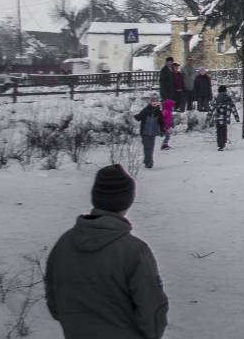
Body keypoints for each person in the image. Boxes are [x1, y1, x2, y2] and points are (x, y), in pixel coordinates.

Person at [45, 164, 168, 339]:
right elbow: (152, 309)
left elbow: (54, 302)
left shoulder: (64, 244)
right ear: (127, 201)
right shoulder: (134, 251)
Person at [133, 96, 163, 169]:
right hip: (144, 132)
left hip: (153, 133)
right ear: (150, 102)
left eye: (156, 101)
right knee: (147, 147)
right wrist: (135, 116)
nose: (154, 103)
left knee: (151, 147)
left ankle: (148, 161)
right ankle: (148, 162)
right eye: (153, 101)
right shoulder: (146, 110)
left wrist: (162, 130)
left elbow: (161, 122)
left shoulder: (158, 112)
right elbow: (139, 117)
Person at [211, 85, 240, 151]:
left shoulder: (216, 98)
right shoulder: (228, 98)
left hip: (218, 118)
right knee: (224, 130)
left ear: (219, 91)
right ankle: (223, 144)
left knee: (219, 132)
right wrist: (236, 117)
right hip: (225, 118)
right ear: (225, 91)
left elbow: (212, 109)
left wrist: (208, 117)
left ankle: (220, 145)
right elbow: (233, 108)